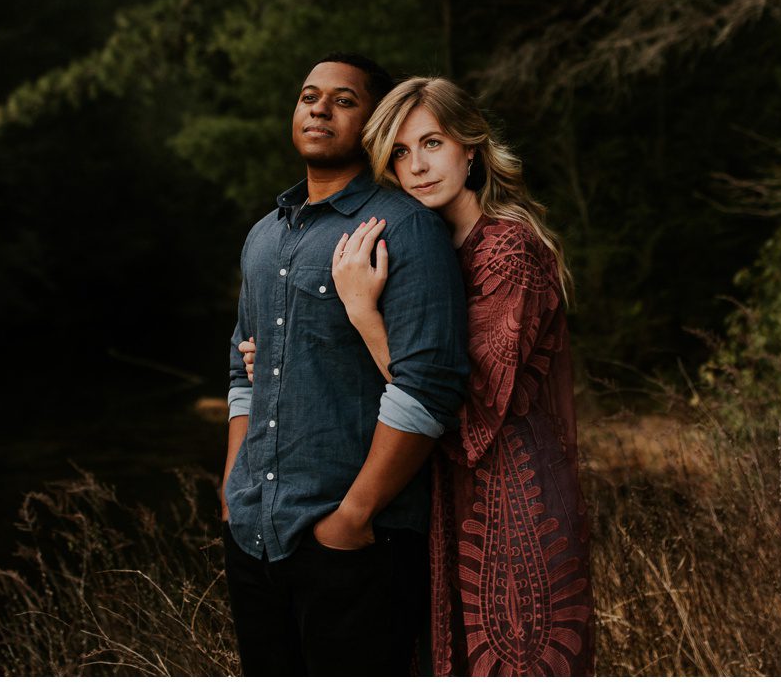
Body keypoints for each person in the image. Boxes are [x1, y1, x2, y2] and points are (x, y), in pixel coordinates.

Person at [243, 76, 594, 675]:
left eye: (432, 143)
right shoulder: (430, 246)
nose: (418, 167)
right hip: (438, 507)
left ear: (472, 149)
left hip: (510, 508)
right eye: (400, 153)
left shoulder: (510, 252)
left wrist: (362, 313)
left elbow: (461, 408)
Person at [221, 53, 469, 676]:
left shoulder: (405, 228)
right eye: (309, 96)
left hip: (357, 542)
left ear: (373, 121)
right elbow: (240, 375)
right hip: (256, 535)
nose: (319, 109)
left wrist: (353, 517)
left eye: (343, 99)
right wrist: (232, 493)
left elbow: (429, 387)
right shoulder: (263, 237)